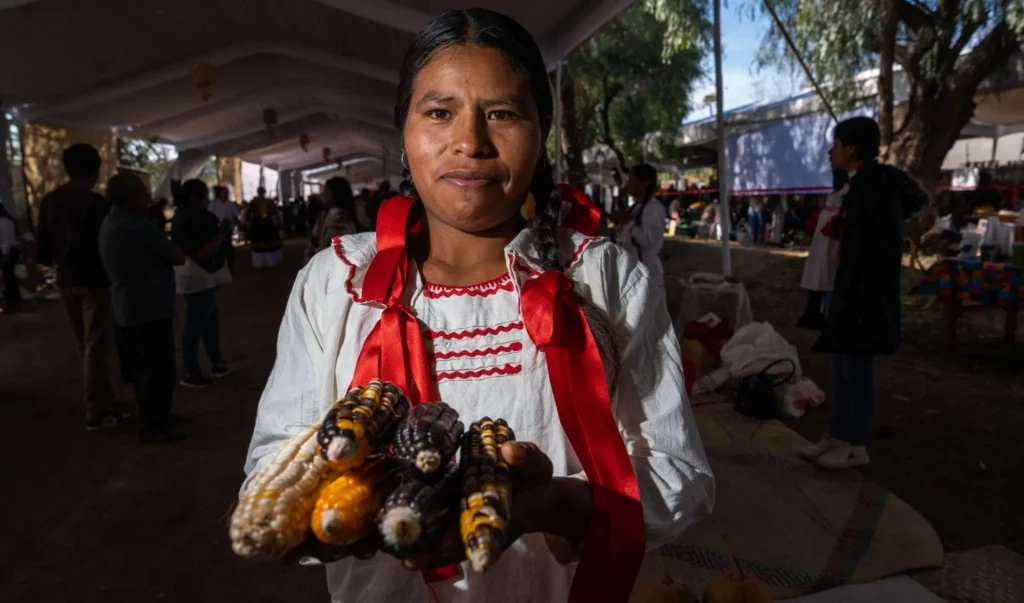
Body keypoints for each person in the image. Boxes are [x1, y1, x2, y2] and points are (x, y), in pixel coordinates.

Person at [242, 10, 713, 603]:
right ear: (404, 129)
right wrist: (339, 516)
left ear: (543, 130)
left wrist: (557, 504)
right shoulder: (337, 284)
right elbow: (273, 462)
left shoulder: (605, 278)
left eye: (503, 113)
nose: (470, 141)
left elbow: (681, 475)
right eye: (438, 112)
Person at [802, 117, 927, 470]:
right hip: (840, 290)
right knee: (840, 367)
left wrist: (858, 292)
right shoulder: (851, 187)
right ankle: (838, 435)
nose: (831, 150)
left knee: (856, 368)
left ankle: (855, 443)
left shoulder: (875, 191)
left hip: (862, 295)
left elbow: (877, 252)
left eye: (836, 143)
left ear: (852, 148)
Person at [36, 143, 130, 431]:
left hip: (66, 280)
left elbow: (42, 251)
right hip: (95, 281)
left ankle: (104, 399)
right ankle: (95, 411)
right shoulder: (97, 203)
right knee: (96, 346)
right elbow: (109, 246)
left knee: (86, 345)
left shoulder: (50, 201)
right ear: (96, 169)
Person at [98, 174, 186, 444]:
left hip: (129, 306)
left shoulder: (111, 220)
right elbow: (176, 255)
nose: (147, 197)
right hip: (147, 307)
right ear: (128, 197)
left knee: (143, 370)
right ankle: (153, 426)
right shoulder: (137, 226)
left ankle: (157, 416)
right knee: (157, 370)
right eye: (141, 193)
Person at [170, 179, 233, 388]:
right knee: (196, 325)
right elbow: (203, 252)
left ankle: (216, 361)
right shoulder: (191, 219)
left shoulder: (183, 216)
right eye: (205, 196)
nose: (208, 201)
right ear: (195, 198)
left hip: (203, 276)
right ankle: (190, 371)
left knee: (209, 319)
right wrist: (223, 232)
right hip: (199, 276)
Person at [797, 171, 848, 330]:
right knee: (822, 278)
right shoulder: (834, 195)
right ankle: (818, 313)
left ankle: (828, 316)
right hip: (823, 243)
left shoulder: (846, 194)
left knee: (829, 279)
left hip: (832, 243)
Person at [614, 163, 667, 288]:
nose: (628, 184)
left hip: (647, 276)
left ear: (644, 183)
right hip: (634, 274)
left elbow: (649, 240)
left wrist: (629, 223)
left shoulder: (652, 208)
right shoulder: (636, 208)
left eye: (632, 180)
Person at [306, 176, 357, 260]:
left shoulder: (339, 217)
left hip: (332, 264)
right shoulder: (324, 215)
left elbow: (336, 248)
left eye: (325, 190)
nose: (322, 194)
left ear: (333, 193)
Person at [209, 186, 241, 271]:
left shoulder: (231, 204)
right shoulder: (213, 204)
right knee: (218, 247)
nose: (226, 194)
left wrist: (235, 224)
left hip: (227, 229)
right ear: (220, 193)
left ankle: (229, 266)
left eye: (227, 193)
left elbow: (235, 216)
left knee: (228, 248)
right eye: (224, 192)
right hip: (217, 229)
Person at [247, 196, 284, 268]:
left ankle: (270, 262)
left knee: (270, 245)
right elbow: (248, 214)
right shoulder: (254, 202)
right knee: (258, 245)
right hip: (258, 226)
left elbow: (275, 212)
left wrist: (278, 221)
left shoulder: (269, 202)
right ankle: (261, 263)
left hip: (267, 225)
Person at [0, 203, 21, 309]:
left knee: (7, 276)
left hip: (7, 251)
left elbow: (5, 241)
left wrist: (4, 254)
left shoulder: (2, 223)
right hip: (13, 251)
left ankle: (10, 298)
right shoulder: (9, 221)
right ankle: (14, 296)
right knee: (10, 275)